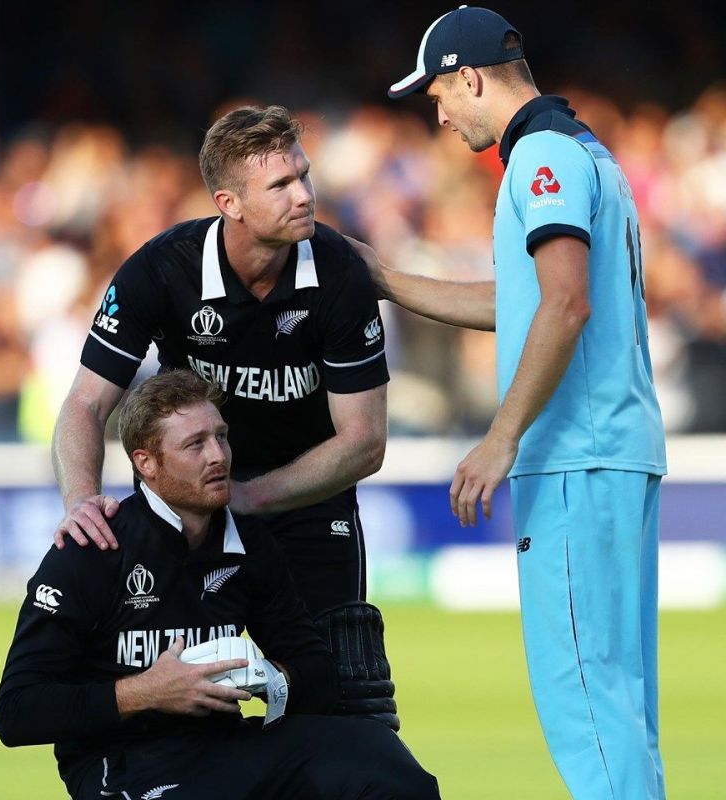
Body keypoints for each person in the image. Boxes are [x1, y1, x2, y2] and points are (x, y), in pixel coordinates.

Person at [351, 6, 667, 800]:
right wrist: (387, 279)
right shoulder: (589, 153)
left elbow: (563, 307)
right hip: (617, 456)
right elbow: (528, 301)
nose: (439, 113)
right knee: (622, 716)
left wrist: (501, 437)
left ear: (471, 76)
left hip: (573, 460)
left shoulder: (538, 160)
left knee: (589, 716)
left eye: (437, 95)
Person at [51, 105, 397, 727]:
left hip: (307, 503)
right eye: (281, 185)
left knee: (341, 710)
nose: (304, 196)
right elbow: (84, 404)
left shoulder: (342, 271)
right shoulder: (160, 269)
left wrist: (249, 497)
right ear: (228, 203)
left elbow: (364, 443)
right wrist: (81, 501)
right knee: (167, 704)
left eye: (304, 175)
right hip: (186, 512)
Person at [0, 371, 439, 800]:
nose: (219, 457)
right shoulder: (93, 547)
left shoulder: (248, 540)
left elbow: (313, 667)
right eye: (195, 444)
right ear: (146, 463)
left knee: (386, 766)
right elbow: (16, 712)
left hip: (225, 745)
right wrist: (146, 692)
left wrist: (270, 679)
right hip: (123, 762)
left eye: (221, 436)